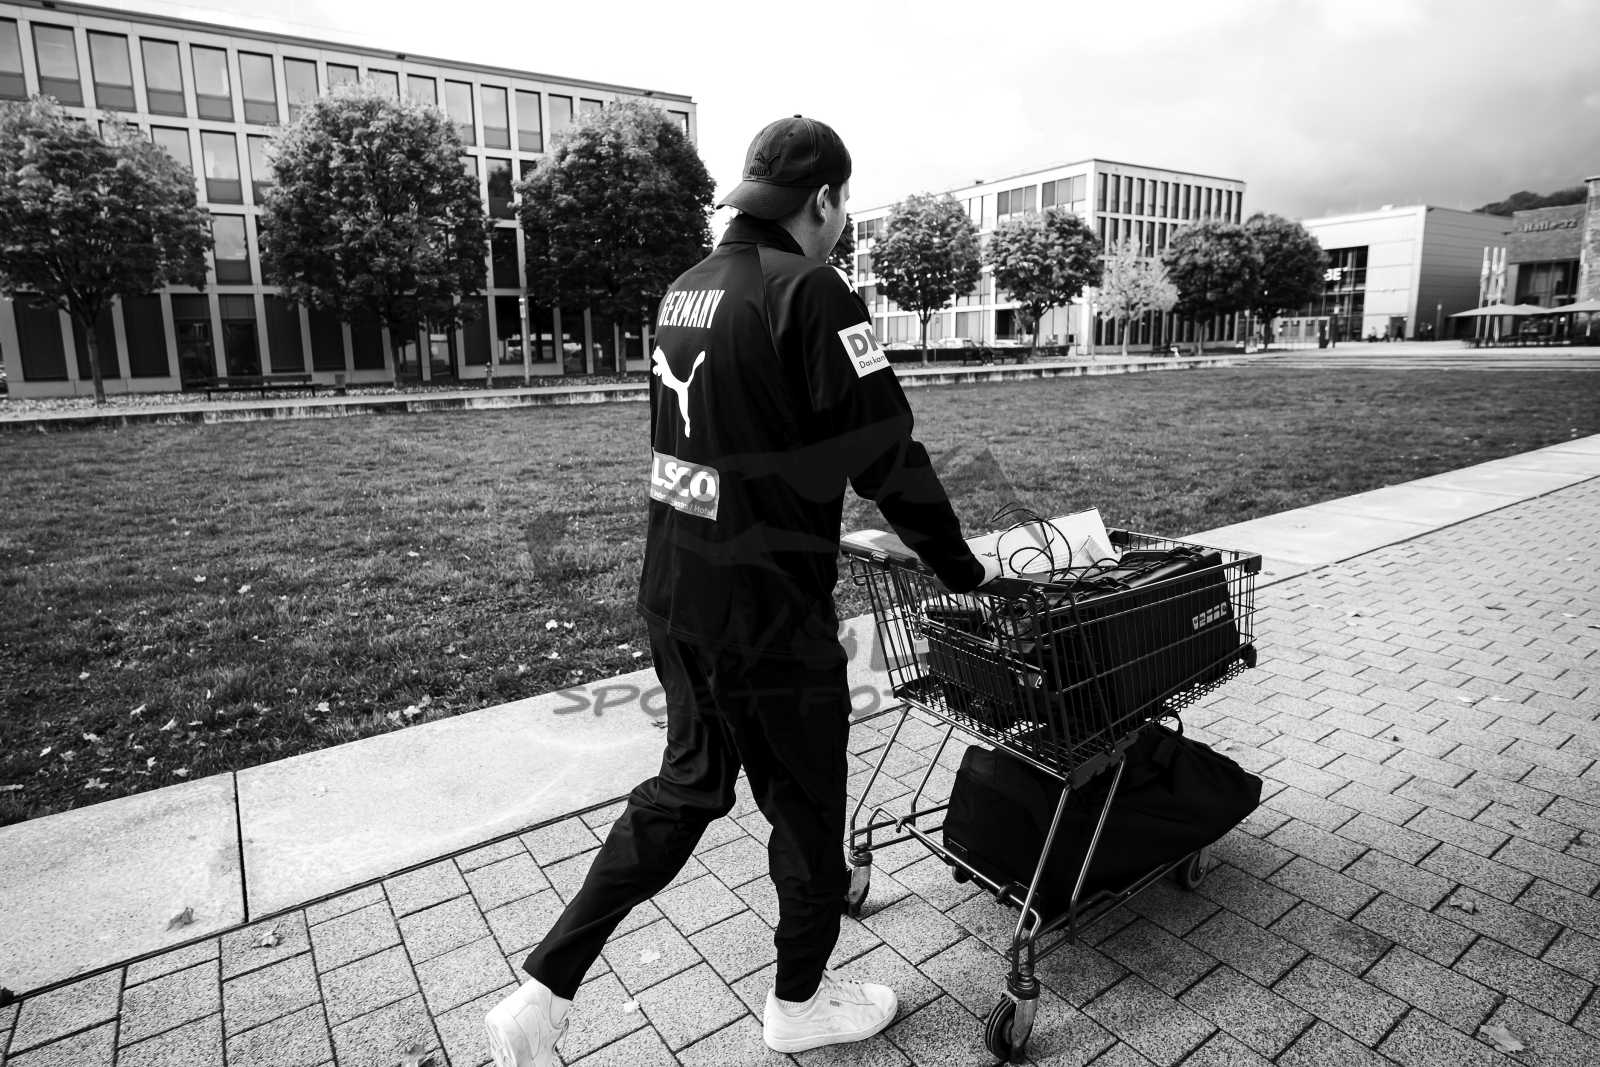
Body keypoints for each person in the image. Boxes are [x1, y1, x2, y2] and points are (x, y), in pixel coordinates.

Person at [484, 115, 999, 1067]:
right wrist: (966, 571)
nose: (841, 223)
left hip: (678, 595)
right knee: (806, 810)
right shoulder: (813, 291)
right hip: (767, 615)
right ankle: (798, 1002)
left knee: (687, 787)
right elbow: (887, 456)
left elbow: (704, 437)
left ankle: (542, 990)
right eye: (843, 206)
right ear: (825, 200)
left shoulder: (685, 290)